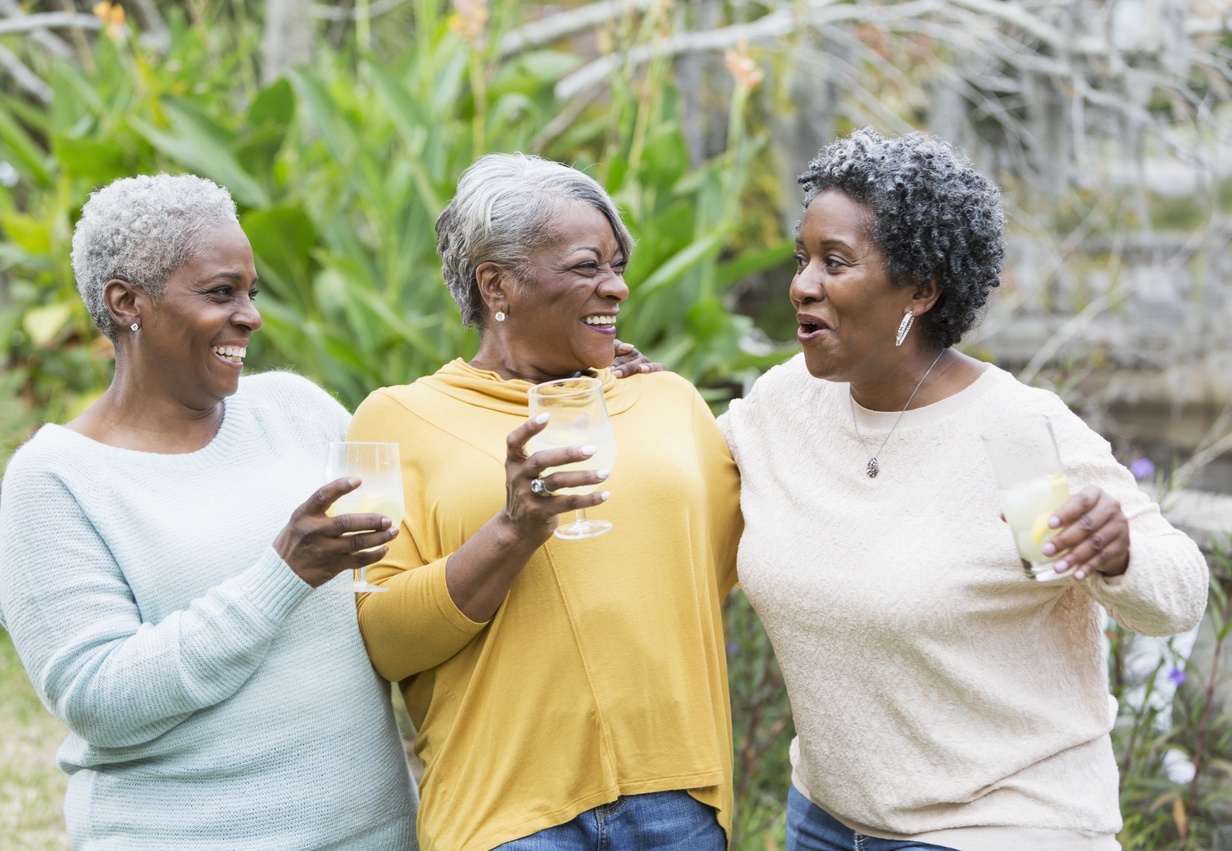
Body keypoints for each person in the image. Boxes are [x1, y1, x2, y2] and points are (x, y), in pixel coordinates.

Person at [720, 128, 1209, 851]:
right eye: (802, 258)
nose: (802, 284)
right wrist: (632, 391)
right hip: (824, 819)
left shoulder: (1016, 427)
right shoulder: (786, 402)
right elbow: (681, 466)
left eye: (834, 262)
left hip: (1002, 825)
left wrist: (1118, 552)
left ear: (922, 288)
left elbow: (1180, 591)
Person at [0, 174, 420, 849]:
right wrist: (283, 574)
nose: (251, 315)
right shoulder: (54, 480)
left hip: (372, 835)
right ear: (126, 302)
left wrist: (579, 375)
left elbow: (416, 554)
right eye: (221, 292)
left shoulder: (296, 410)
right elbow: (98, 698)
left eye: (250, 291)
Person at [346, 153, 742, 851]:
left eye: (617, 265)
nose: (616, 287)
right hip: (505, 817)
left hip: (676, 800)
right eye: (587, 266)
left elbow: (734, 563)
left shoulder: (667, 400)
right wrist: (510, 532)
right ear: (496, 283)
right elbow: (383, 639)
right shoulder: (392, 419)